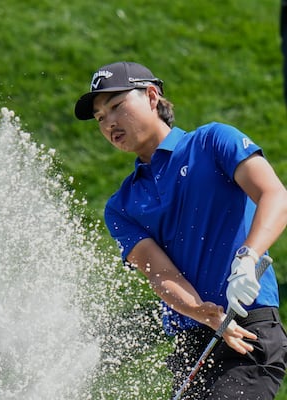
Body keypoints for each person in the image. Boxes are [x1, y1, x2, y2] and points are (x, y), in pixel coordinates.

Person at [74, 61, 287, 399]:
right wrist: (201, 312)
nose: (109, 122)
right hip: (193, 341)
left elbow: (274, 195)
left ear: (151, 96)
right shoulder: (121, 205)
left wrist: (248, 257)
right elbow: (161, 273)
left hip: (248, 326)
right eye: (100, 118)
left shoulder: (213, 141)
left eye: (116, 106)